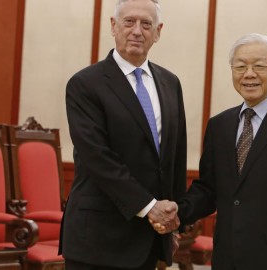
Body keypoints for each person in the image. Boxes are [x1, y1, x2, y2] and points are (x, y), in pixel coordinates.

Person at [156, 33, 267, 269]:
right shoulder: (220, 125)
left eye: (259, 66)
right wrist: (178, 212)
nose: (249, 74)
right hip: (226, 258)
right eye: (240, 67)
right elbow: (208, 190)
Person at [59, 0, 187, 269]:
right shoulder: (85, 84)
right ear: (113, 26)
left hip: (148, 238)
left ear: (158, 31)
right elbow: (97, 158)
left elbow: (174, 156)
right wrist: (148, 206)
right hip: (97, 237)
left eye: (146, 24)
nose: (137, 31)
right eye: (129, 22)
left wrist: (175, 223)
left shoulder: (170, 83)